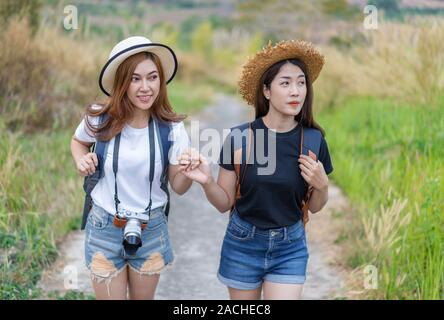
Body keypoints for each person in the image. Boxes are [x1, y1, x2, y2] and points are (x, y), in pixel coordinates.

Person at [177, 40, 333, 300]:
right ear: (267, 91)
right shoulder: (240, 139)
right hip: (243, 244)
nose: (296, 91)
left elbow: (315, 207)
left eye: (301, 82)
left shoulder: (314, 140)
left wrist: (323, 185)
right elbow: (224, 203)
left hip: (290, 246)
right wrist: (206, 181)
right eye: (285, 83)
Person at [70, 36, 198, 300]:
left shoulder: (172, 128)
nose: (145, 87)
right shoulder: (100, 117)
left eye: (152, 77)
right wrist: (81, 158)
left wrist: (190, 174)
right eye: (135, 79)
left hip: (150, 229)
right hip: (104, 225)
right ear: (121, 83)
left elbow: (178, 186)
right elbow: (78, 141)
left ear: (161, 81)